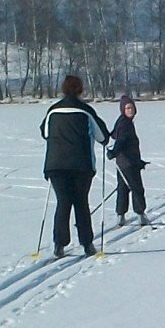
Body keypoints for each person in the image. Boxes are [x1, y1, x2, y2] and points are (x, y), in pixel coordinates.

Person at [40, 74, 111, 257]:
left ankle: (59, 244)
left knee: (63, 203)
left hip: (56, 165)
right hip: (81, 165)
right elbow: (103, 136)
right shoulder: (85, 110)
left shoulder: (53, 110)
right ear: (80, 90)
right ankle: (87, 243)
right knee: (81, 203)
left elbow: (45, 133)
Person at [108, 94, 150, 224]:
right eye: (127, 108)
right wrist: (114, 152)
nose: (130, 110)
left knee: (123, 188)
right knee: (136, 188)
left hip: (124, 162)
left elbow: (115, 136)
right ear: (123, 110)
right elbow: (121, 140)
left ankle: (120, 216)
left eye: (131, 107)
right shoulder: (125, 124)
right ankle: (141, 215)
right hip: (128, 163)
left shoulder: (122, 122)